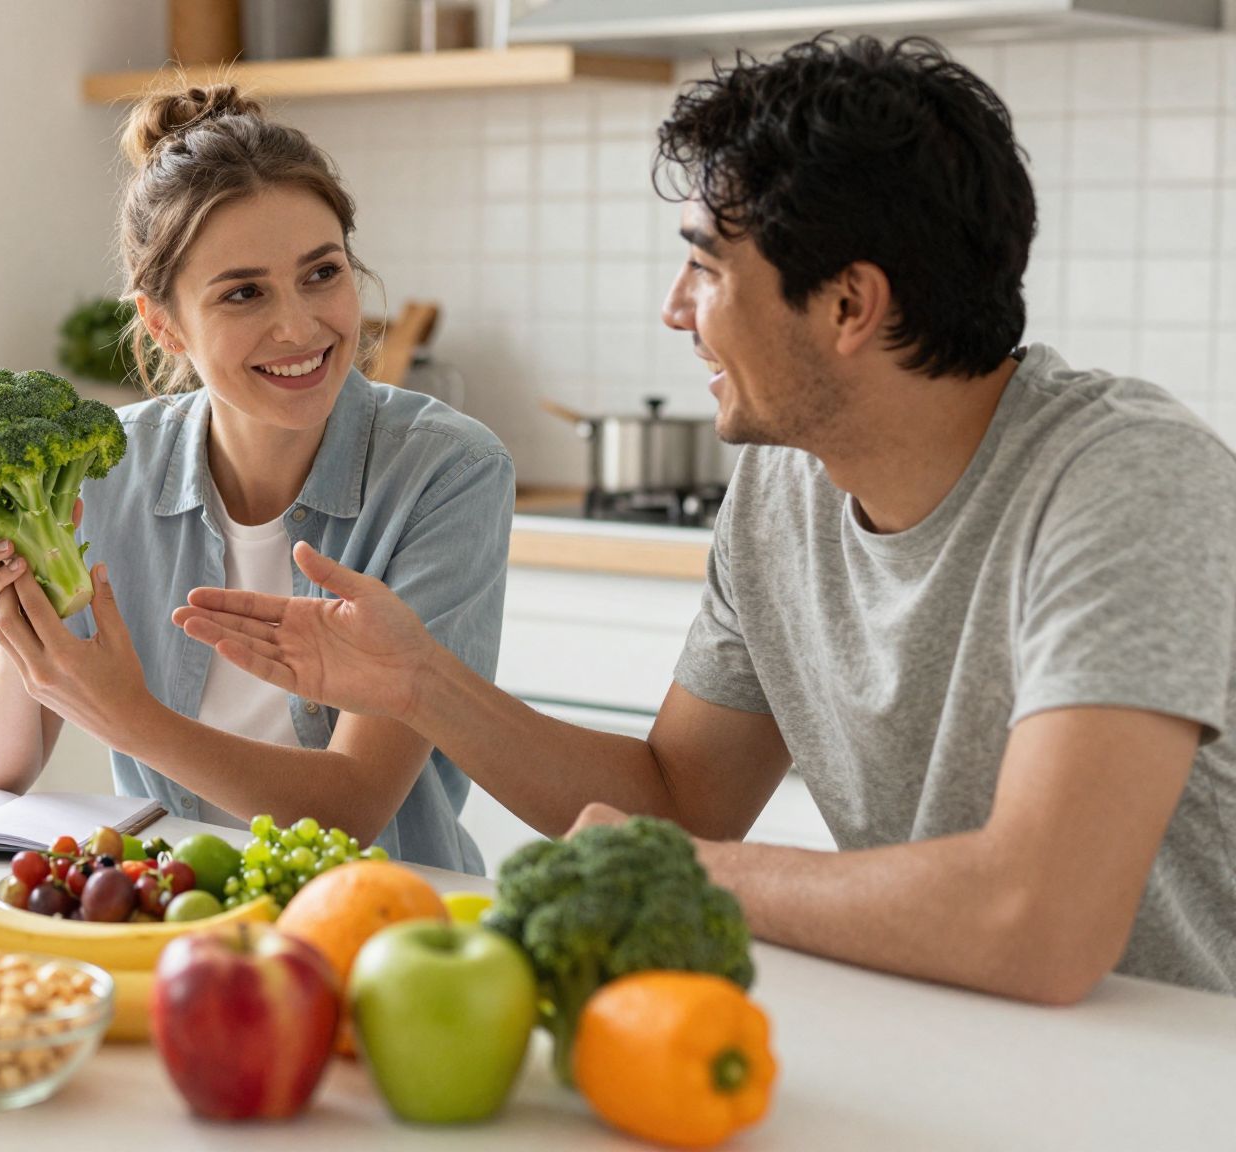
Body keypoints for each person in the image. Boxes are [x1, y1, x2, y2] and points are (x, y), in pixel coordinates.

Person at [174, 37, 1236, 999]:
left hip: (1170, 1073)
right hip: (952, 1032)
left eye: (704, 265)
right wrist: (420, 685)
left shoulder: (1124, 480)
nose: (674, 309)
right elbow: (680, 799)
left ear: (847, 306)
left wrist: (686, 875)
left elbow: (1035, 924)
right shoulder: (785, 487)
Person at [0, 85, 513, 873]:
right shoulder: (103, 468)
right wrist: (18, 624)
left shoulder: (446, 471)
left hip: (380, 922)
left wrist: (130, 718)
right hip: (169, 916)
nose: (298, 326)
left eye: (322, 273)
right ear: (163, 322)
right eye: (244, 292)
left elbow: (352, 808)